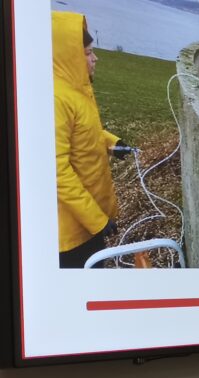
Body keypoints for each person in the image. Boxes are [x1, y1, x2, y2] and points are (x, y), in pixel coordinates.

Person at [52, 12, 128, 268]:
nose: (95, 58)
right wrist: (97, 220)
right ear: (67, 55)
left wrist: (111, 142)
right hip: (72, 235)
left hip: (87, 225)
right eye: (87, 53)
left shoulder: (76, 90)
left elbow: (83, 133)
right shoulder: (56, 99)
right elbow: (57, 172)